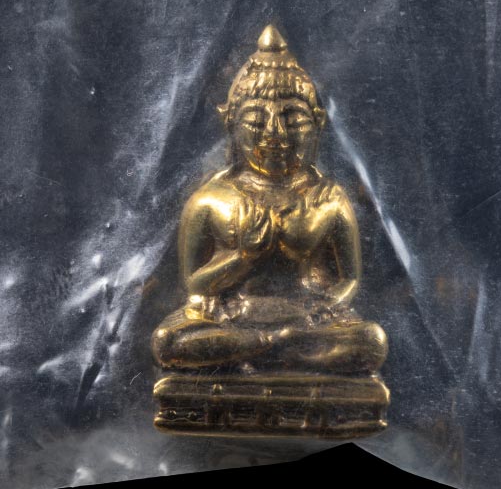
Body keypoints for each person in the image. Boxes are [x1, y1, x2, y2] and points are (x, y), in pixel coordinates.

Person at [152, 25, 387, 375]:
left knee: (372, 342)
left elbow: (349, 279)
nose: (275, 134)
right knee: (168, 342)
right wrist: (240, 258)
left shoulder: (328, 197)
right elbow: (195, 285)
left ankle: (260, 350)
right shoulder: (211, 199)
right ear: (231, 123)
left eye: (292, 119)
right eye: (256, 120)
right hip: (235, 316)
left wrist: (326, 306)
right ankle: (279, 347)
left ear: (317, 122)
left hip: (306, 318)